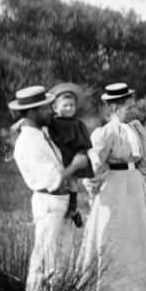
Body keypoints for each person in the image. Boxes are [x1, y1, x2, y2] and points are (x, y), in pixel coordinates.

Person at [79, 83, 146, 291]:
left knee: (137, 240)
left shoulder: (137, 129)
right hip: (114, 190)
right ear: (115, 106)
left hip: (134, 187)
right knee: (114, 239)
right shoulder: (105, 133)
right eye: (127, 104)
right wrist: (93, 191)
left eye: (131, 102)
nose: (131, 107)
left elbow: (145, 165)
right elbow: (94, 166)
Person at [8, 85, 89, 291]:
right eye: (45, 107)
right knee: (43, 256)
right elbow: (53, 179)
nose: (50, 111)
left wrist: (72, 202)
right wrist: (76, 166)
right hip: (48, 201)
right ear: (32, 112)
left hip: (60, 201)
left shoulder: (41, 135)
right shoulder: (29, 143)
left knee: (61, 255)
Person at [45, 82, 94, 228]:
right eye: (65, 106)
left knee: (73, 181)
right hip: (60, 155)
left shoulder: (77, 124)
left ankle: (73, 208)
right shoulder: (52, 122)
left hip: (73, 155)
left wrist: (82, 153)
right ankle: (62, 208)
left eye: (72, 106)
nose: (69, 108)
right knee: (60, 182)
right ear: (55, 108)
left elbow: (85, 142)